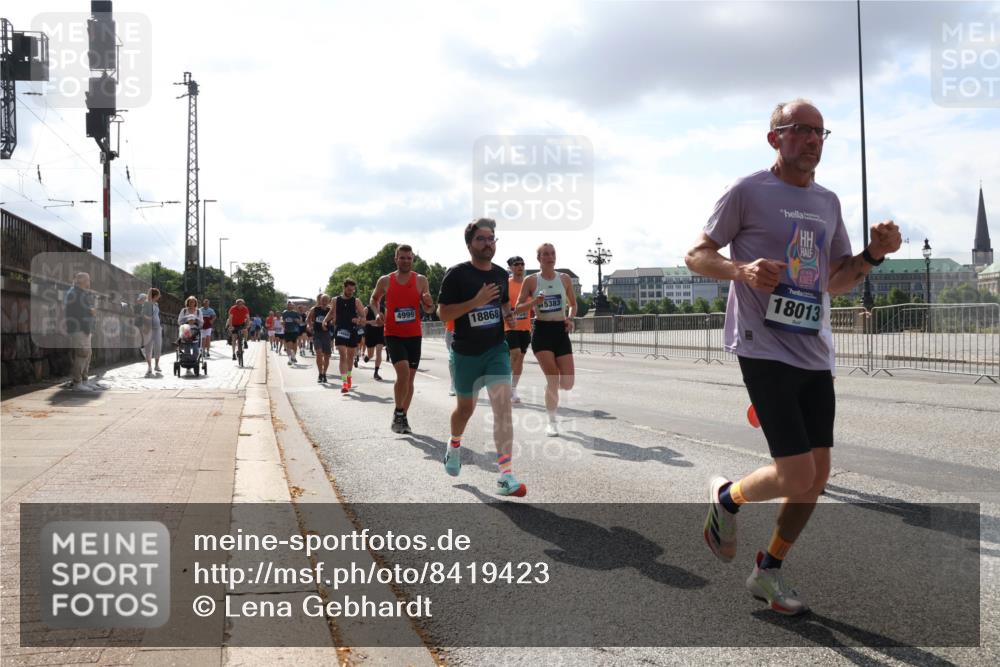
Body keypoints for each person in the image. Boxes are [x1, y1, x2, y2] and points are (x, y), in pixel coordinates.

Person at [685, 98, 901, 615]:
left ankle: (768, 570)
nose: (811, 140)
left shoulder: (828, 202)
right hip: (762, 345)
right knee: (797, 473)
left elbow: (834, 281)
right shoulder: (747, 191)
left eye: (820, 133)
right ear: (775, 137)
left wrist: (873, 255)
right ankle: (726, 498)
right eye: (800, 129)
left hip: (813, 350)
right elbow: (696, 255)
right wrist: (742, 271)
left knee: (816, 477)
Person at [437, 218, 524, 497]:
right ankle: (454, 444)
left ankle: (505, 475)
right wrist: (476, 301)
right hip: (465, 354)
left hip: (496, 349)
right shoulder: (456, 275)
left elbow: (504, 307)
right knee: (465, 409)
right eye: (482, 239)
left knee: (503, 408)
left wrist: (510, 317)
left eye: (492, 238)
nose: (488, 243)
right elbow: (444, 314)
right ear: (469, 243)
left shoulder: (500, 275)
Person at [370, 245, 435, 431]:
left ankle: (402, 416)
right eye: (402, 257)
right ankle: (399, 412)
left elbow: (428, 308)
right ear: (396, 259)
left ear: (412, 259)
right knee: (403, 373)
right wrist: (377, 313)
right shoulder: (386, 280)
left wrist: (429, 304)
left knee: (410, 380)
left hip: (414, 335)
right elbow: (374, 299)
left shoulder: (421, 280)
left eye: (409, 258)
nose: (406, 261)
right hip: (393, 334)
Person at [516, 243, 577, 436]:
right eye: (545, 254)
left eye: (553, 253)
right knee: (553, 379)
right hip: (542, 331)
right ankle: (552, 421)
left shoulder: (565, 279)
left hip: (560, 331)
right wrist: (535, 302)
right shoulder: (531, 281)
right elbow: (518, 307)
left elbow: (573, 305)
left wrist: (570, 318)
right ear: (539, 259)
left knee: (567, 383)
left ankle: (551, 388)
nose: (550, 257)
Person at [324, 280, 368, 394]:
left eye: (353, 290)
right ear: (344, 288)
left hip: (352, 331)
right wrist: (325, 320)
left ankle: (349, 376)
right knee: (343, 356)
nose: (351, 292)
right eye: (349, 289)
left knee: (350, 357)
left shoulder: (356, 301)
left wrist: (358, 320)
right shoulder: (335, 300)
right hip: (340, 330)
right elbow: (331, 312)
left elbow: (363, 317)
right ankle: (344, 383)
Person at [63, 272, 100, 391]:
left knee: (87, 355)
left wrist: (90, 312)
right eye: (88, 280)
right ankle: (77, 383)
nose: (89, 282)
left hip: (83, 329)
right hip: (79, 329)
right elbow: (79, 312)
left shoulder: (79, 293)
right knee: (81, 355)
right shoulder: (75, 293)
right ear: (82, 281)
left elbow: (82, 309)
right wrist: (90, 312)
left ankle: (84, 381)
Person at [504, 256, 533, 404]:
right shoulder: (506, 284)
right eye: (516, 264)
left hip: (525, 326)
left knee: (520, 358)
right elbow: (501, 303)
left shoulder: (528, 284)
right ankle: (505, 383)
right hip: (509, 325)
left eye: (522, 264)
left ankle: (513, 388)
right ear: (510, 267)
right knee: (514, 354)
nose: (520, 267)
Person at [308, 294, 333, 383]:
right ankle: (320, 373)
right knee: (319, 353)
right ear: (320, 300)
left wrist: (330, 326)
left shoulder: (331, 310)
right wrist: (310, 326)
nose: (324, 302)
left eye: (326, 300)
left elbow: (335, 321)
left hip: (326, 335)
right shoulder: (315, 309)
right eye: (323, 300)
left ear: (328, 301)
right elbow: (308, 319)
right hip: (317, 334)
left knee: (326, 356)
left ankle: (324, 373)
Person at [141, 288, 164, 376]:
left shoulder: (156, 304)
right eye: (158, 295)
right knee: (148, 348)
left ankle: (157, 365)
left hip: (157, 328)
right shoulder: (147, 304)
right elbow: (143, 315)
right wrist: (148, 320)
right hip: (148, 328)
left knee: (158, 346)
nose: (159, 297)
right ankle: (149, 367)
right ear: (154, 295)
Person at [363, 302, 386, 381]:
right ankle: (367, 357)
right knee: (371, 355)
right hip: (370, 334)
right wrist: (370, 322)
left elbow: (386, 321)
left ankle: (376, 372)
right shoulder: (367, 309)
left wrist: (382, 322)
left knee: (379, 352)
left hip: (379, 333)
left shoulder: (383, 309)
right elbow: (361, 321)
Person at [443, 319, 456, 396]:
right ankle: (454, 383)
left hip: (465, 329)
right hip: (450, 330)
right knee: (452, 359)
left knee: (452, 359)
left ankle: (455, 384)